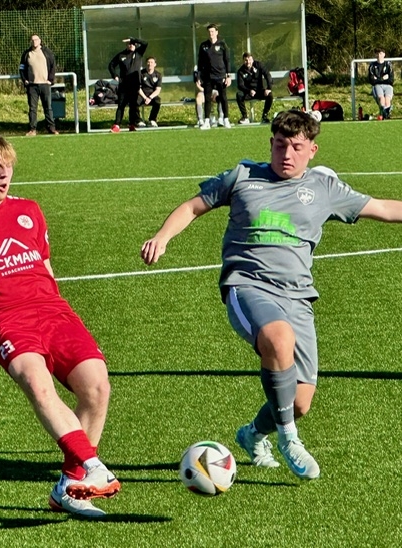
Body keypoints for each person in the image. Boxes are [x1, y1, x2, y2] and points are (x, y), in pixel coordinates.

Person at [141, 109, 402, 480]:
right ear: (271, 144)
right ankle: (289, 439)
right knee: (278, 339)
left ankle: (252, 434)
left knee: (299, 401)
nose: (287, 155)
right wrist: (162, 237)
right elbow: (192, 206)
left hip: (298, 296)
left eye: (296, 147)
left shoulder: (325, 189)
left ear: (312, 150)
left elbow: (384, 208)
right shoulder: (243, 176)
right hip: (247, 284)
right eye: (280, 145)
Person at [0, 132, 120, 518]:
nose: (4, 174)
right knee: (37, 383)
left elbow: (46, 267)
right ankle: (91, 465)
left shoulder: (29, 209)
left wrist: (62, 312)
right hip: (5, 320)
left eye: (8, 166)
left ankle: (70, 484)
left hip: (53, 312)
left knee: (97, 387)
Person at [19, 34, 59, 136]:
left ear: (40, 40)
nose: (34, 42)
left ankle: (51, 128)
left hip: (45, 85)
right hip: (32, 86)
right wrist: (25, 80)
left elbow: (53, 66)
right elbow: (21, 68)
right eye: (32, 40)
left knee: (48, 107)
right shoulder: (26, 54)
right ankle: (32, 129)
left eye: (36, 40)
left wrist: (50, 80)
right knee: (32, 108)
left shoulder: (47, 52)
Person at [108, 36, 148, 132]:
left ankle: (132, 124)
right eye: (129, 44)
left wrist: (133, 39)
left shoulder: (138, 53)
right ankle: (117, 125)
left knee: (133, 106)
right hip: (124, 85)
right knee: (121, 105)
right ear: (126, 45)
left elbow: (145, 43)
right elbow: (111, 65)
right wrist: (115, 75)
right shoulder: (121, 55)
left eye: (133, 44)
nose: (131, 45)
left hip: (135, 85)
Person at [197, 23, 232, 130]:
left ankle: (226, 119)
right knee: (207, 98)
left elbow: (227, 61)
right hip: (208, 76)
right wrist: (199, 76)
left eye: (212, 31)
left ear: (216, 32)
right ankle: (207, 121)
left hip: (220, 76)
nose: (210, 33)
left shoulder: (222, 45)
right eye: (209, 32)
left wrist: (228, 76)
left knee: (223, 97)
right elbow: (200, 62)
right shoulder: (203, 46)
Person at [236, 52, 273, 124]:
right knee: (239, 95)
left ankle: (264, 116)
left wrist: (269, 88)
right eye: (246, 60)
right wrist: (249, 91)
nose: (248, 62)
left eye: (249, 59)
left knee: (270, 95)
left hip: (259, 91)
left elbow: (267, 75)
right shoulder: (240, 71)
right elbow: (240, 85)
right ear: (243, 61)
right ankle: (245, 117)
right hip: (248, 93)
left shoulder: (259, 65)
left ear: (252, 59)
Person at [193, 64, 223, 128]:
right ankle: (200, 120)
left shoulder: (215, 66)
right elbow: (198, 85)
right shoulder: (198, 68)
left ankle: (221, 118)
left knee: (221, 96)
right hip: (203, 91)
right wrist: (206, 91)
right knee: (198, 98)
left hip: (214, 91)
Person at [368, 48, 394, 120]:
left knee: (387, 100)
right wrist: (383, 78)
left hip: (388, 86)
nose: (379, 55)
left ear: (384, 54)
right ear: (375, 55)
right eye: (377, 53)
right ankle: (383, 113)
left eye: (380, 53)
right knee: (381, 98)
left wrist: (378, 79)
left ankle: (386, 114)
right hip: (377, 86)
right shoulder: (372, 66)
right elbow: (372, 80)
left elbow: (391, 80)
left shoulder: (388, 65)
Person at [137, 56, 162, 127]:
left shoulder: (158, 75)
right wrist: (145, 97)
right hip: (142, 94)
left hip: (152, 95)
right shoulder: (140, 74)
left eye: (151, 62)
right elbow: (138, 88)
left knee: (157, 101)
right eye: (148, 62)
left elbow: (158, 90)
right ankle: (138, 121)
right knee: (134, 101)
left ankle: (152, 120)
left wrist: (150, 98)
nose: (150, 64)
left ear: (155, 64)